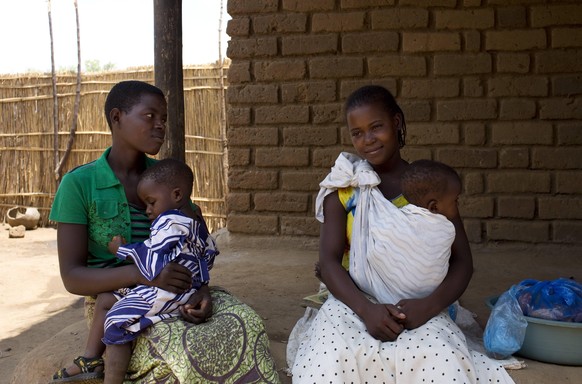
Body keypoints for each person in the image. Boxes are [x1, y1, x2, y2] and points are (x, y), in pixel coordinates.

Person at [49, 80, 280, 383]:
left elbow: (194, 246)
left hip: (176, 290)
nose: (160, 126)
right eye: (150, 116)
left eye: (164, 119)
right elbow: (72, 277)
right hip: (115, 301)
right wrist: (144, 275)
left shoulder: (165, 178)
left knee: (244, 322)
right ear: (117, 117)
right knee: (181, 351)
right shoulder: (79, 184)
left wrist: (202, 291)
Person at [290, 85, 515, 383]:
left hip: (417, 305)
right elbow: (328, 263)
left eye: (376, 127)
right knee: (327, 362)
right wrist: (367, 310)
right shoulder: (345, 188)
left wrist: (429, 307)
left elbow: (463, 262)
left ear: (396, 123)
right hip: (355, 301)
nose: (367, 140)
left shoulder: (431, 187)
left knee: (441, 363)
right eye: (357, 133)